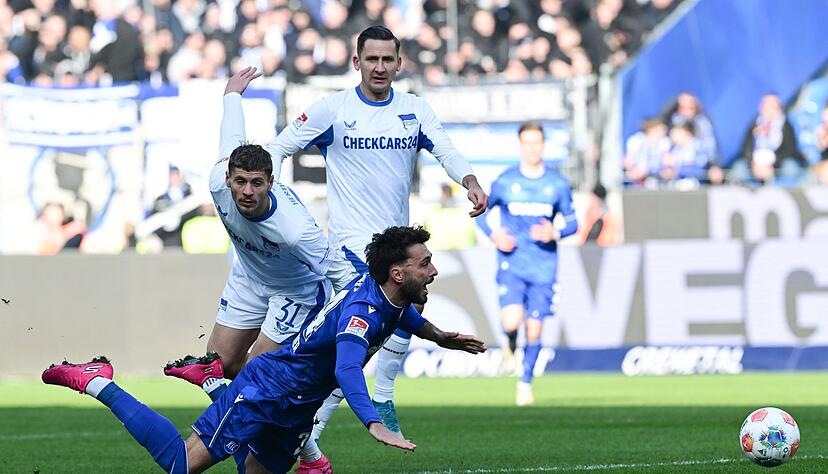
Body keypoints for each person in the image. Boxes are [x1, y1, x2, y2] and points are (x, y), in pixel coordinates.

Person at [42, 226, 487, 473]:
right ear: (397, 272)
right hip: (268, 388)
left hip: (296, 407)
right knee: (181, 465)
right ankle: (97, 381)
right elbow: (350, 367)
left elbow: (399, 314)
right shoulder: (361, 316)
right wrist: (373, 423)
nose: (433, 270)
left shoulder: (385, 291)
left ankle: (213, 381)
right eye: (424, 263)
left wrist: (438, 336)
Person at [262, 25, 488, 471]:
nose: (380, 67)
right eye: (372, 60)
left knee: (382, 327)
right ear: (357, 63)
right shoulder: (334, 109)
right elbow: (279, 147)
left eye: (388, 59)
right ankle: (327, 431)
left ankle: (317, 434)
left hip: (397, 245)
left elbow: (446, 149)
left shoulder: (414, 110)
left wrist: (470, 181)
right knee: (359, 344)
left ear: (399, 63)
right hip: (350, 248)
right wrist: (270, 204)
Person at [163, 68, 358, 412]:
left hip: (295, 290)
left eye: (256, 183)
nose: (247, 192)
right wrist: (232, 94)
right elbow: (232, 133)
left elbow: (342, 276)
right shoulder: (217, 184)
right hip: (249, 278)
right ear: (228, 178)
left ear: (271, 181)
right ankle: (254, 420)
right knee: (219, 365)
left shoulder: (295, 229)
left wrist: (369, 320)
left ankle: (306, 453)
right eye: (240, 182)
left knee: (259, 375)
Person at [476, 122, 578, 406]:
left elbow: (573, 223)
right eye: (527, 143)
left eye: (537, 142)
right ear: (520, 145)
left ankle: (525, 383)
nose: (532, 148)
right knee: (512, 320)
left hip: (544, 265)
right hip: (512, 262)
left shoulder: (556, 184)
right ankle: (509, 342)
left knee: (534, 329)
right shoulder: (506, 181)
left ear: (543, 145)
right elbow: (481, 211)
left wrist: (555, 232)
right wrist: (494, 235)